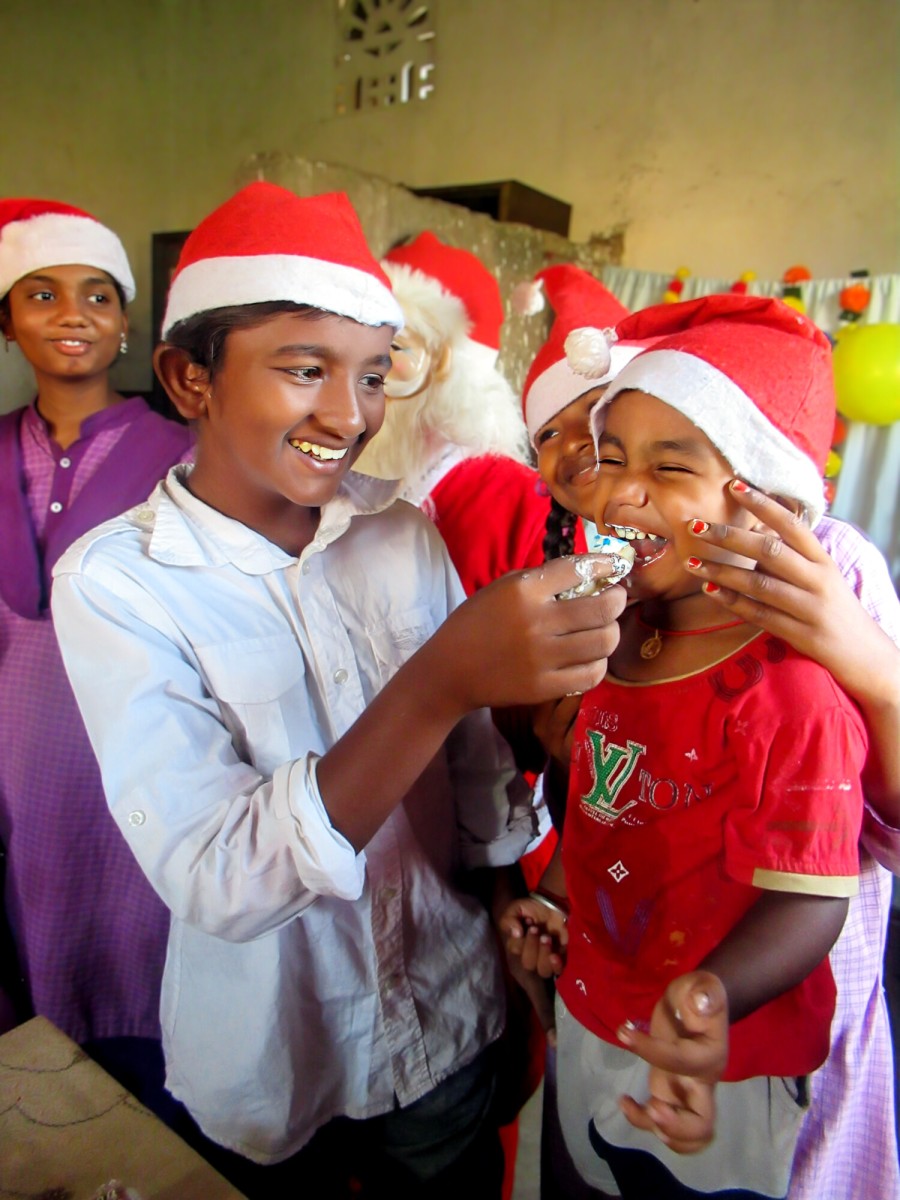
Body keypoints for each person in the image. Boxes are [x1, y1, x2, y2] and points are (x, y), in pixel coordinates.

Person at [49, 181, 626, 1199]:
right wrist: (442, 676)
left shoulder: (398, 531)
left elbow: (476, 770)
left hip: (444, 1018)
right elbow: (219, 872)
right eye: (305, 370)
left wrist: (508, 896)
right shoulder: (118, 585)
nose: (347, 415)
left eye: (372, 376)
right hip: (279, 1050)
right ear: (190, 378)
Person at [520, 277, 900, 1200]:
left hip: (738, 1039)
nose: (607, 482)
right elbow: (608, 806)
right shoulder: (613, 624)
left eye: (667, 463)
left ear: (768, 504)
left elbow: (824, 880)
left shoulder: (809, 634)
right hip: (602, 1018)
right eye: (598, 451)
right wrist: (559, 903)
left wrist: (715, 996)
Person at [0, 198, 192, 1115]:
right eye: (40, 293)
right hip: (17, 762)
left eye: (96, 296)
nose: (71, 314)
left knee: (143, 940)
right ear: (6, 320)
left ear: (125, 323)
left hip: (137, 754)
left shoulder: (182, 455)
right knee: (32, 946)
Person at [356, 230, 552, 596]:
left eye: (396, 345)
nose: (371, 368)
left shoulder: (525, 505)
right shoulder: (322, 474)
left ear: (449, 364)